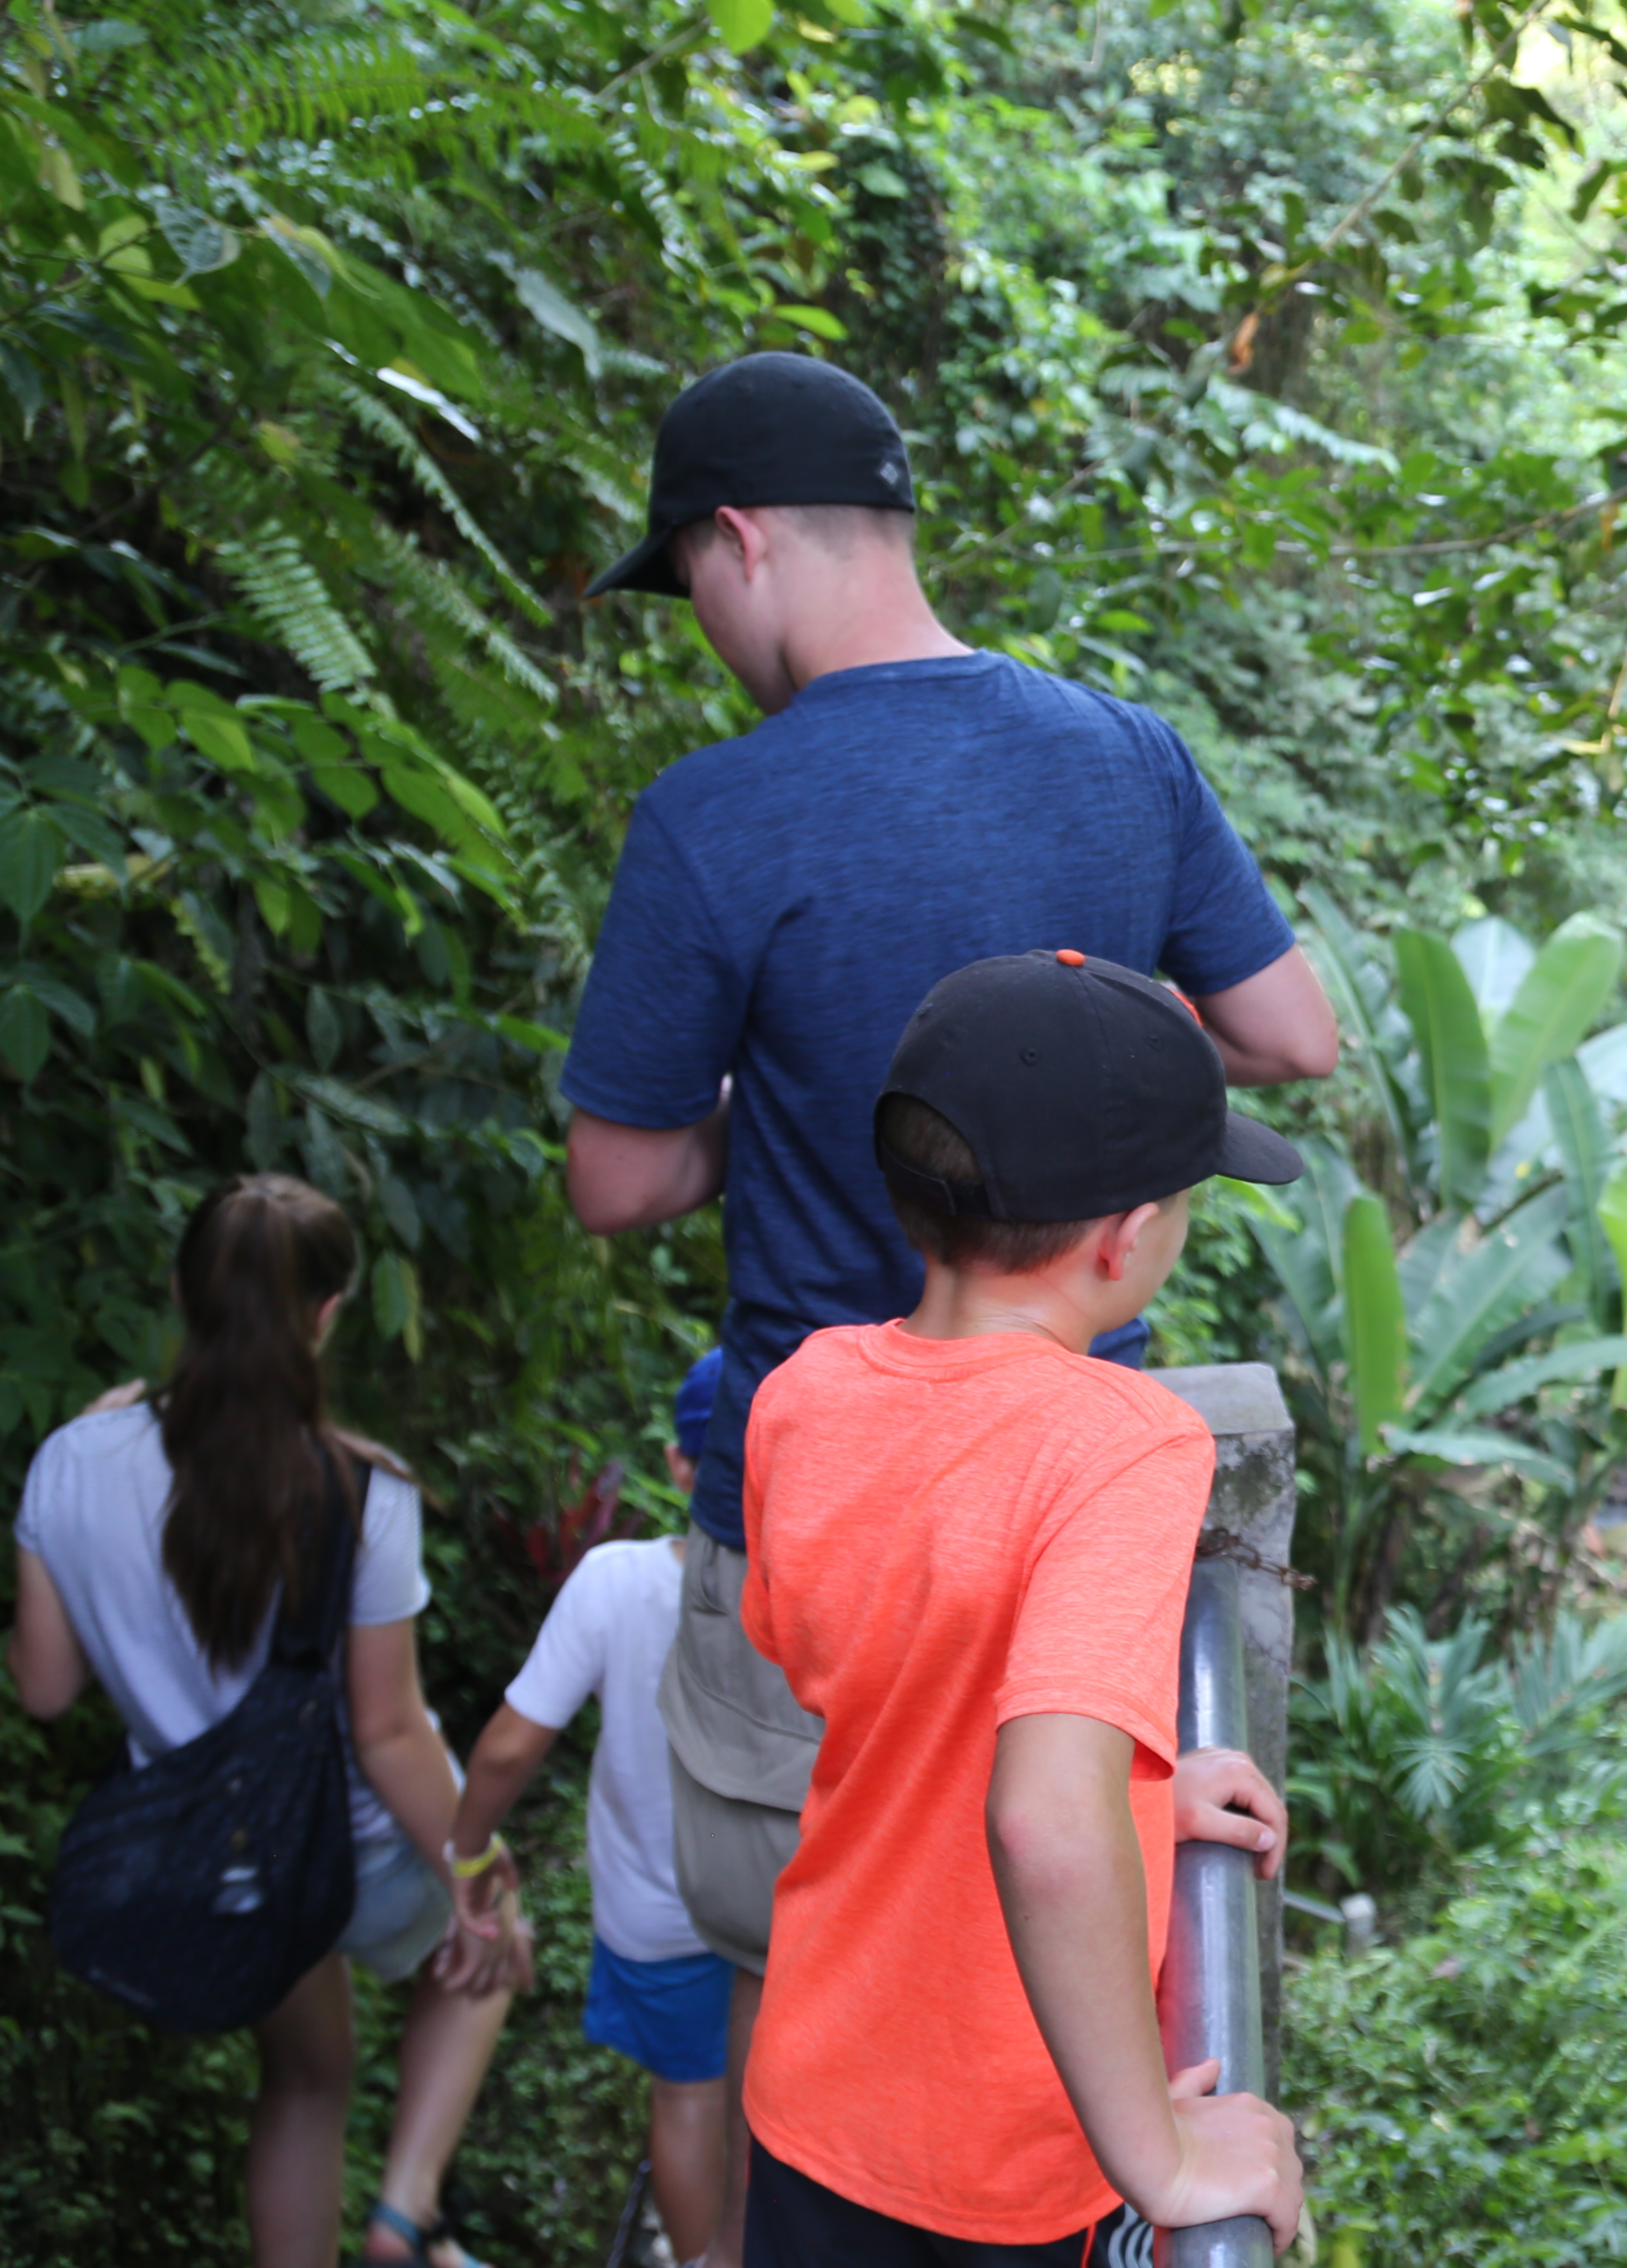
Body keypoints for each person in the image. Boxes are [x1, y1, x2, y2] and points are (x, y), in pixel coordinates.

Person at [560, 351, 1336, 2264]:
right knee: (1051, 1839)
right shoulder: (1125, 753)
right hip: (1063, 1499)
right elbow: (1292, 1035)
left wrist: (794, 1099)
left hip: (823, 1500)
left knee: (822, 1923)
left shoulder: (715, 816)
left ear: (736, 542)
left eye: (693, 591)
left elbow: (620, 1178)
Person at [735, 950, 1308, 2264]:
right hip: (991, 2162)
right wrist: (1153, 2156)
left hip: (815, 2098)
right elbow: (1041, 1817)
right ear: (1123, 1238)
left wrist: (1144, 1795)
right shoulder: (1120, 1444)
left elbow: (894, 1695)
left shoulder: (805, 1393)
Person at [7, 1174, 529, 2268]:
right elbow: (385, 1733)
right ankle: (401, 2213)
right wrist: (480, 1877)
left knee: (303, 2082)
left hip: (220, 1863)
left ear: (178, 1294)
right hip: (354, 1850)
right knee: (483, 1957)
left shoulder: (71, 1461)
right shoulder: (358, 1495)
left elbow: (45, 1688)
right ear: (330, 1313)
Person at [445, 1350, 735, 2268]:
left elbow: (506, 1746)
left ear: (676, 1463)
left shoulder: (614, 1582)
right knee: (777, 2103)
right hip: (790, 1908)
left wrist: (469, 1854)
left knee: (689, 2098)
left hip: (661, 1920)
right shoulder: (824, 1582)